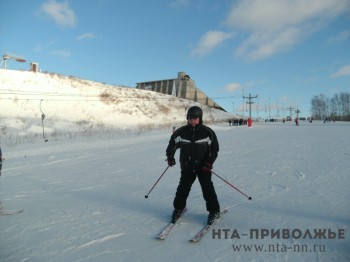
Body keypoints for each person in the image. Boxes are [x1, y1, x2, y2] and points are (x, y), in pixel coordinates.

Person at [166, 106, 221, 225]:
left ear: (200, 118)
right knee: (182, 189)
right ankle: (178, 209)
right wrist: (170, 157)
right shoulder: (181, 132)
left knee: (208, 189)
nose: (192, 121)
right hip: (187, 166)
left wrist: (209, 162)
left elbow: (214, 149)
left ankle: (214, 211)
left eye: (195, 118)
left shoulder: (208, 132)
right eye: (190, 118)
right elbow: (172, 144)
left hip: (203, 167)